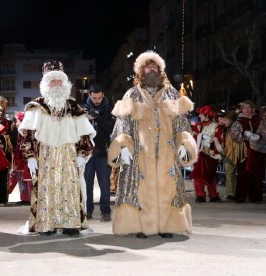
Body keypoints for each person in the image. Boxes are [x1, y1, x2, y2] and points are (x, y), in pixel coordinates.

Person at [108, 51, 198, 238]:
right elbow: (123, 122)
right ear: (141, 70)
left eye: (154, 66)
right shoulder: (132, 94)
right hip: (141, 152)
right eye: (148, 66)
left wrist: (183, 142)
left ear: (160, 70)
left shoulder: (171, 93)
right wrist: (123, 145)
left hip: (167, 152)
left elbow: (180, 121)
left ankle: (167, 226)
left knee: (167, 188)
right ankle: (141, 226)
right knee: (141, 189)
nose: (151, 69)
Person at [18, 60, 96, 236]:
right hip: (45, 155)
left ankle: (70, 223)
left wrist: (83, 153)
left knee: (70, 189)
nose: (56, 84)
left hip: (69, 154)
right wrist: (30, 156)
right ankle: (46, 224)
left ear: (65, 83)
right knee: (46, 189)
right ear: (45, 84)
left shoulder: (74, 107)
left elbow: (84, 134)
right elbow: (26, 135)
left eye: (59, 80)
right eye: (52, 81)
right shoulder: (36, 107)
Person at [84, 84, 115, 221]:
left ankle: (105, 210)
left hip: (103, 151)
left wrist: (98, 118)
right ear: (90, 95)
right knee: (86, 183)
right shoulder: (83, 109)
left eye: (99, 97)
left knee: (104, 183)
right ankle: (87, 210)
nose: (97, 100)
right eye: (94, 97)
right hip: (87, 153)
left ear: (103, 95)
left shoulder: (109, 109)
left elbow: (112, 129)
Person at [230, 100, 266, 203]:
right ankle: (241, 196)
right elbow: (233, 136)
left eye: (248, 107)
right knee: (243, 173)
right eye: (244, 108)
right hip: (244, 150)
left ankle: (255, 197)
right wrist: (244, 135)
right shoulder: (239, 121)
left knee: (257, 173)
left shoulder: (260, 120)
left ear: (253, 109)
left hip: (259, 150)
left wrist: (258, 136)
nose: (246, 110)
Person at [190, 105, 223, 203]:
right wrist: (199, 137)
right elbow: (193, 138)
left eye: (201, 114)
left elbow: (219, 139)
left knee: (210, 174)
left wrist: (211, 140)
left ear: (206, 115)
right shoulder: (198, 126)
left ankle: (213, 195)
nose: (199, 116)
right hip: (199, 153)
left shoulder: (216, 126)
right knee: (197, 175)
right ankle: (200, 195)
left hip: (211, 153)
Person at [0, 96, 16, 205]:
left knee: (2, 180)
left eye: (3, 111)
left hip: (5, 157)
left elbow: (14, 140)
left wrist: (6, 142)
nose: (1, 113)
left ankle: (1, 200)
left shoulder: (10, 124)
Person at [9, 111, 32, 204]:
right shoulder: (19, 132)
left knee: (27, 181)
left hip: (25, 161)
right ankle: (24, 198)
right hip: (20, 161)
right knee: (22, 180)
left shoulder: (27, 133)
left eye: (18, 121)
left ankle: (29, 199)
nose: (16, 123)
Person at [219, 110, 240, 201]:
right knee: (229, 174)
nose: (224, 122)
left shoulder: (233, 129)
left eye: (226, 120)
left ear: (231, 121)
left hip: (233, 154)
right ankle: (231, 193)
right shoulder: (226, 129)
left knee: (231, 174)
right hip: (228, 153)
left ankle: (232, 193)